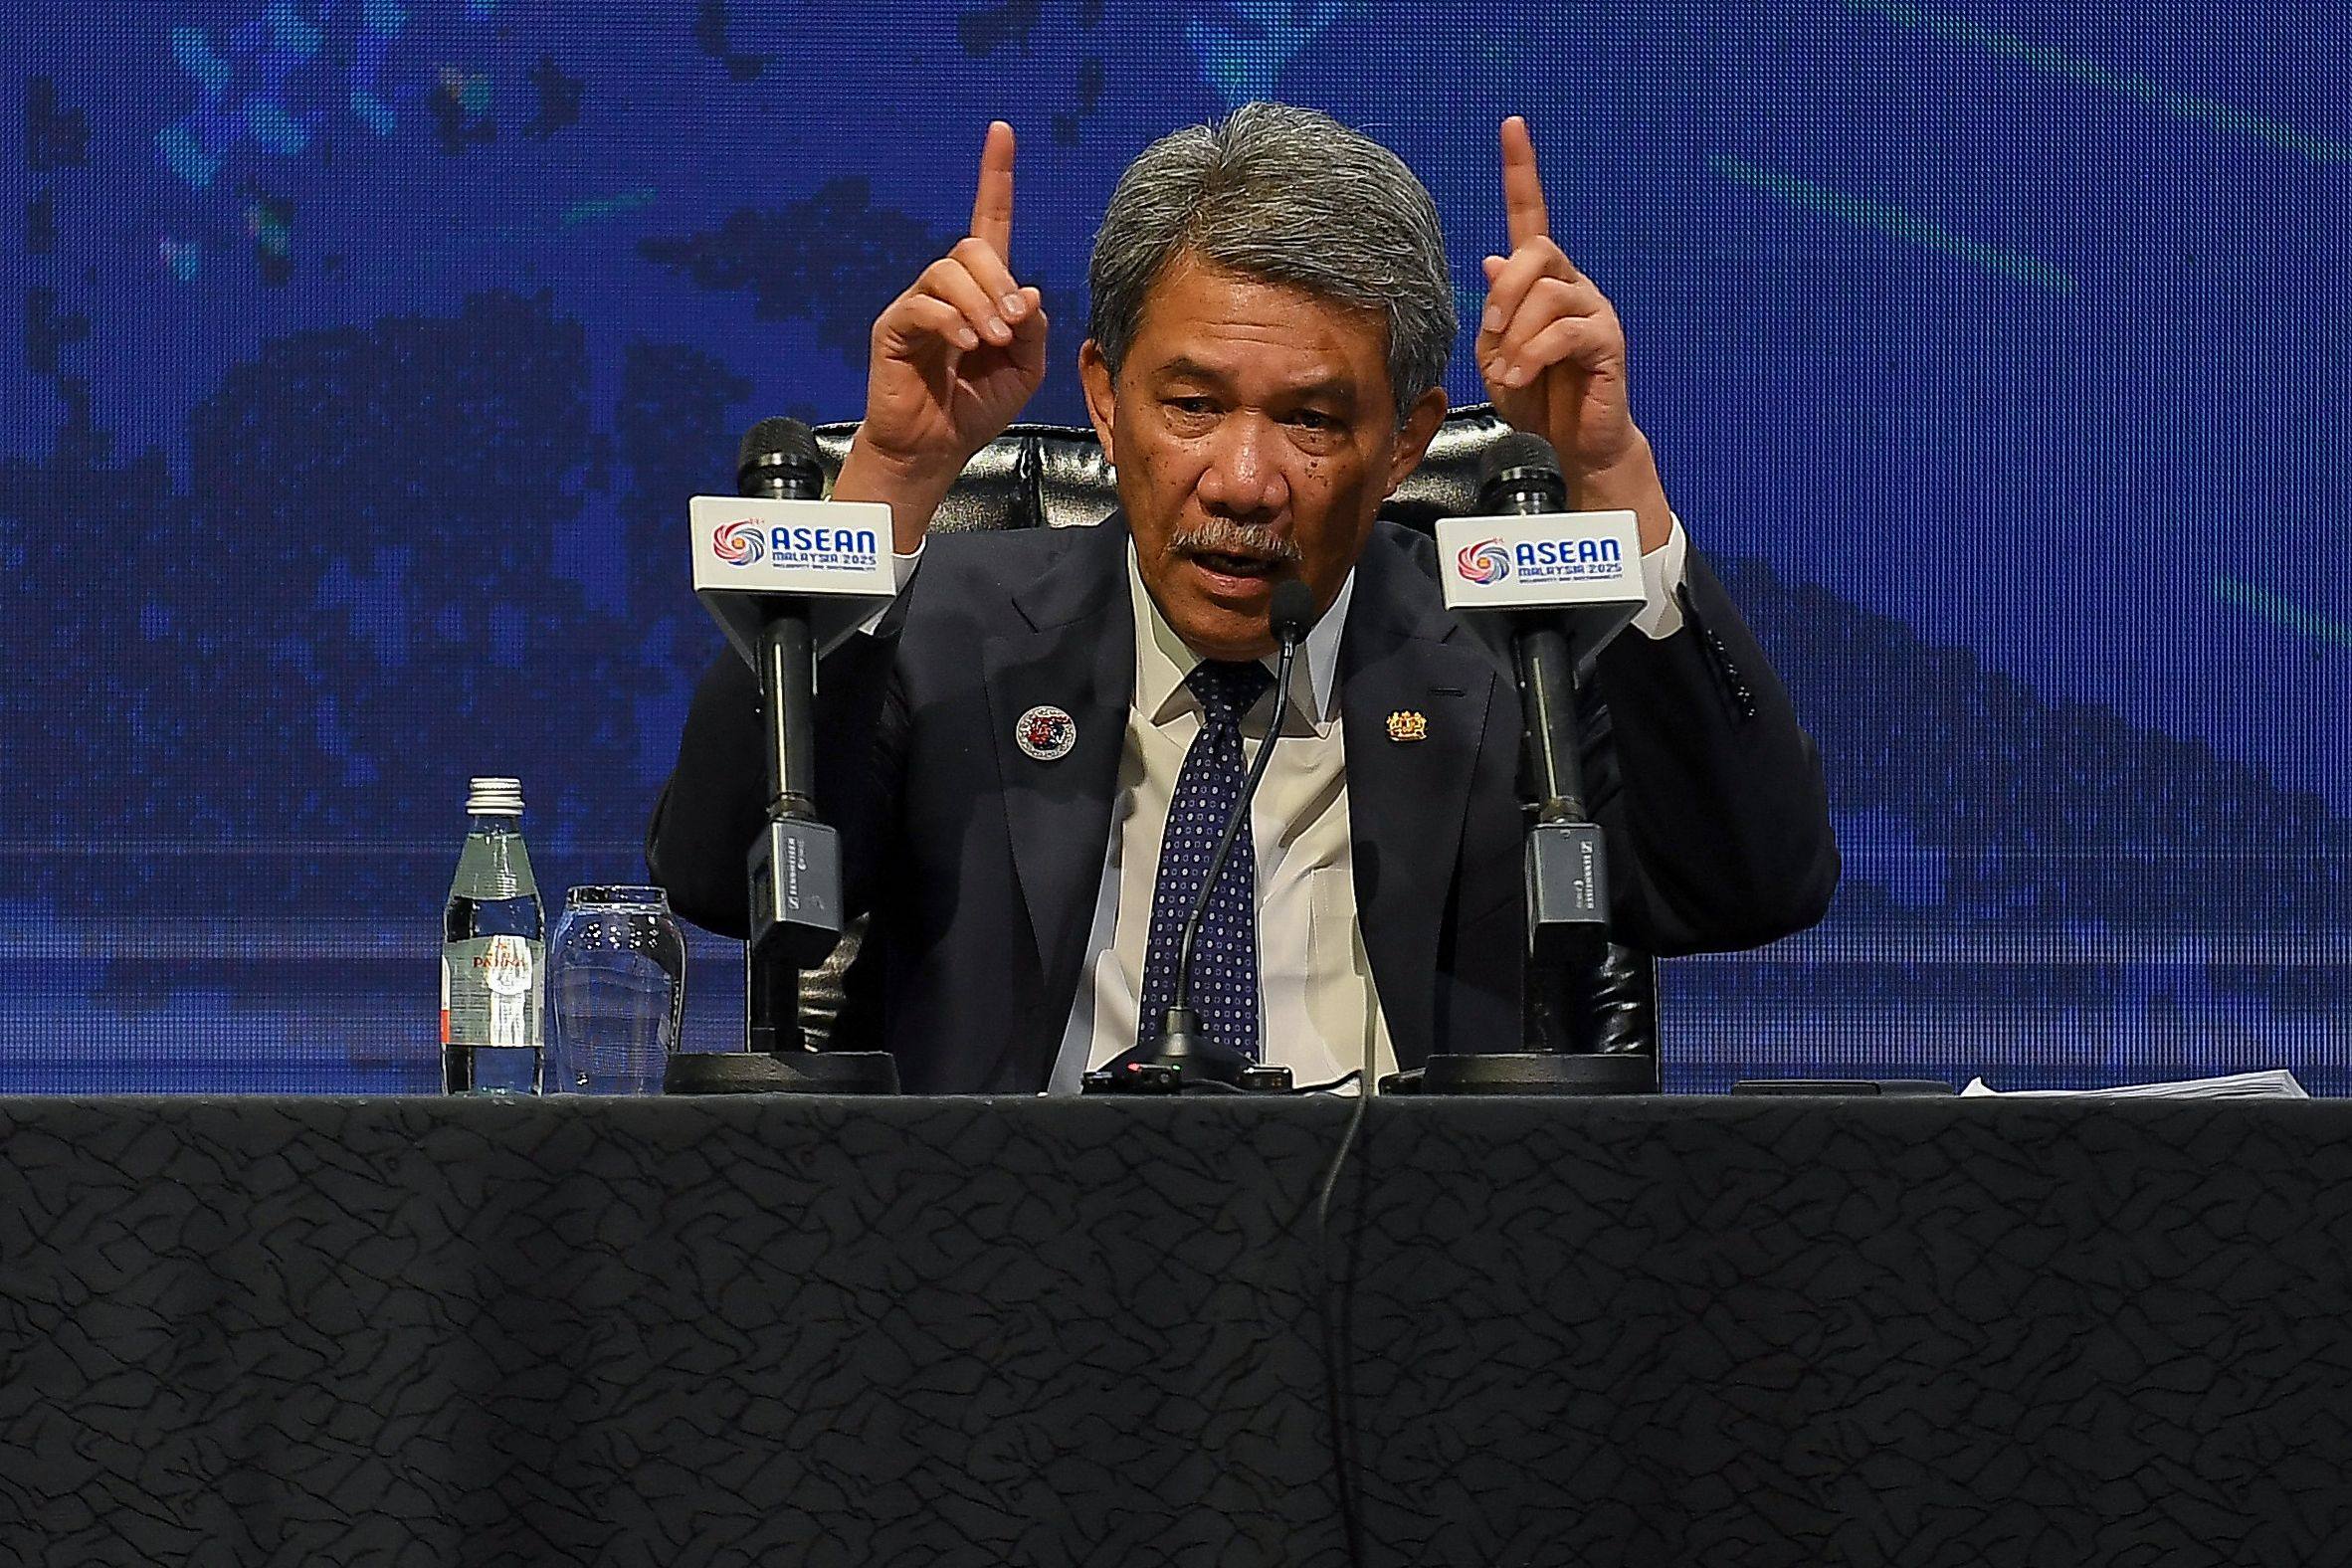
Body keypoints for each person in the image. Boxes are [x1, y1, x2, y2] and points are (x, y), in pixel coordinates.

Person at [650, 103, 1837, 1092]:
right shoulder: (951, 628)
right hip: (1011, 1266)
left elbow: (1750, 885)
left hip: (1407, 1267)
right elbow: (711, 872)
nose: (1244, 480)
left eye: (1312, 419)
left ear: (1405, 441)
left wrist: (1610, 475)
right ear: (1105, 399)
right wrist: (895, 479)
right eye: (1193, 406)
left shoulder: (1504, 654)